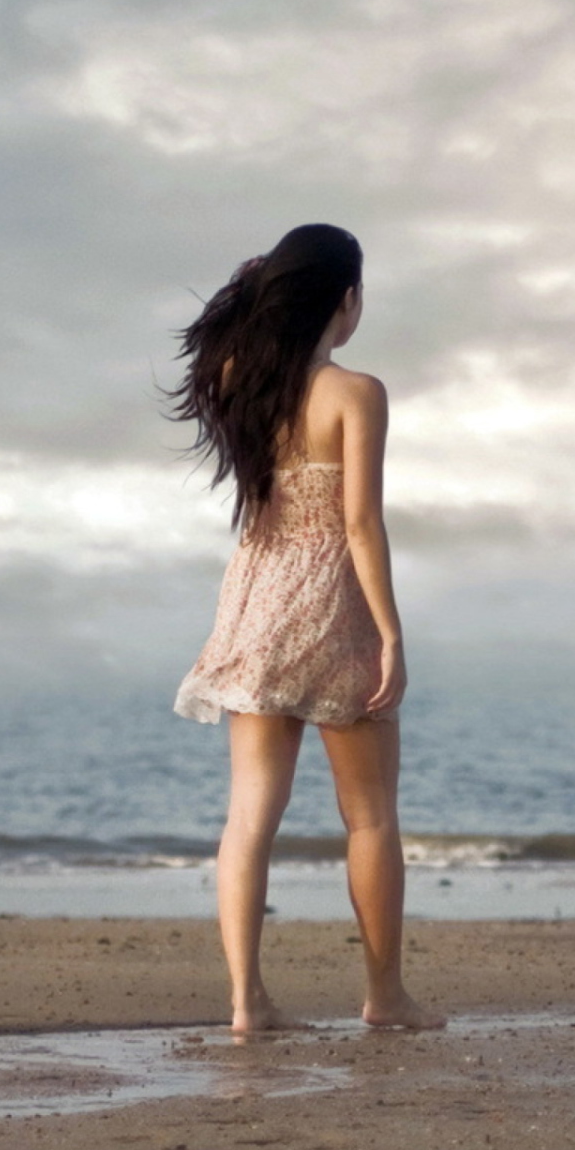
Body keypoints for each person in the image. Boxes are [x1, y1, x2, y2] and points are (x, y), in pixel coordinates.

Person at [171, 224, 442, 1037]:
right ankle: (385, 997)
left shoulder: (234, 377)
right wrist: (391, 632)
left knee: (250, 814)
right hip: (331, 607)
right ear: (346, 300)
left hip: (256, 602)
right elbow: (360, 524)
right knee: (370, 817)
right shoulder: (356, 393)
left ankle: (246, 1002)